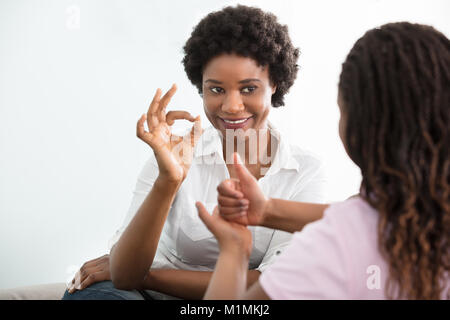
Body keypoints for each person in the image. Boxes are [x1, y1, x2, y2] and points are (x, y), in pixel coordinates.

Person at [62, 5, 327, 300]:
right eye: (216, 90)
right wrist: (169, 180)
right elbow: (124, 274)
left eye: (248, 89)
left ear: (274, 84)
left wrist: (150, 277)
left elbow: (275, 284)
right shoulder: (175, 152)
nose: (231, 106)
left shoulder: (304, 171)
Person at [197, 22, 450, 300]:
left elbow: (358, 222)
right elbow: (371, 214)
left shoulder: (334, 247)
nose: (232, 106)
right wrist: (267, 210)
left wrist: (234, 252)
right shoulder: (419, 214)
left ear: (356, 128)